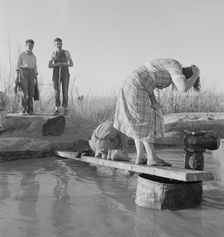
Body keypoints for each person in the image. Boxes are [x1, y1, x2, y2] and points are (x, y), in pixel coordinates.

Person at [114, 58, 200, 166]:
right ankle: (152, 157)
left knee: (138, 120)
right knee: (144, 121)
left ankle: (140, 156)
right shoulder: (175, 66)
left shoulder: (170, 67)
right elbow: (183, 88)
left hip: (135, 85)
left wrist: (154, 101)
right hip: (137, 85)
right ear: (185, 76)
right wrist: (196, 74)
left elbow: (149, 79)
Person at [48, 38, 74, 115]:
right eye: (57, 44)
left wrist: (66, 64)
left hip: (65, 72)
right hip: (56, 73)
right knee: (56, 91)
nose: (58, 45)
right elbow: (49, 65)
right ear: (54, 45)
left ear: (62, 44)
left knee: (65, 90)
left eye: (60, 43)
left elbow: (72, 64)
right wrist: (56, 64)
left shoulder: (66, 52)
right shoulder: (53, 53)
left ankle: (65, 109)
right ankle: (57, 109)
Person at [16, 39, 38, 114]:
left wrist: (35, 77)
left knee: (31, 93)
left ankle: (30, 110)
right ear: (26, 46)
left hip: (32, 74)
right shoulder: (22, 54)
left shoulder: (34, 56)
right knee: (24, 92)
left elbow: (35, 67)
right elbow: (18, 66)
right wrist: (17, 77)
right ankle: (23, 110)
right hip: (24, 72)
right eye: (29, 45)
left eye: (32, 46)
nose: (31, 47)